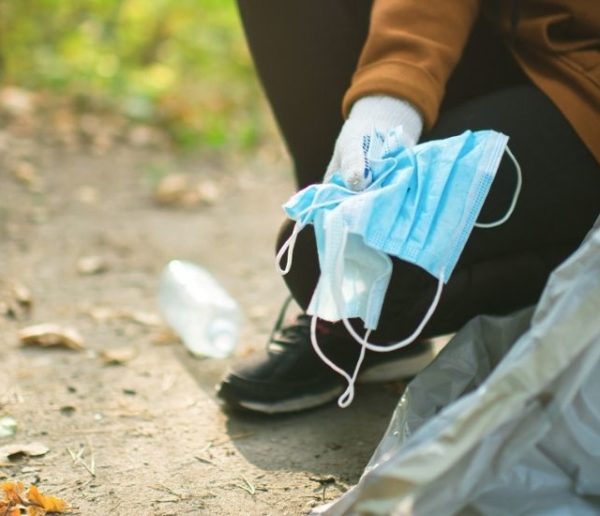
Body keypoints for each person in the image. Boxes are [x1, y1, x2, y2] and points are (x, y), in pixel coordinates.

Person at [217, 0, 600, 414]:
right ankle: (345, 314)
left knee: (320, 263)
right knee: (333, 256)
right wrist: (388, 100)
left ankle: (577, 276)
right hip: (512, 41)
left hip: (586, 97)